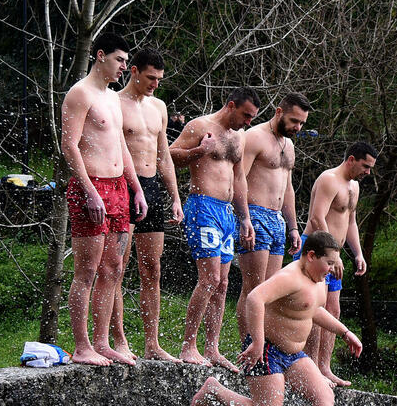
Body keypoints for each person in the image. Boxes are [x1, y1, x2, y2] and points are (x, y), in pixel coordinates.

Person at [190, 231, 363, 406]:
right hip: (267, 349)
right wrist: (258, 342)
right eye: (328, 264)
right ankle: (214, 389)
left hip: (293, 355)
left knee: (324, 395)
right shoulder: (290, 276)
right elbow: (255, 298)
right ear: (311, 256)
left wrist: (345, 332)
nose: (330, 270)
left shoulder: (316, 280)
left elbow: (313, 310)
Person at [61, 31, 147, 366]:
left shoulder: (112, 98)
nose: (125, 67)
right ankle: (82, 346)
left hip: (118, 187)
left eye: (126, 61)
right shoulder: (79, 94)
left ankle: (101, 341)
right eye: (120, 60)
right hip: (91, 186)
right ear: (100, 56)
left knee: (113, 268)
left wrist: (136, 187)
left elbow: (120, 146)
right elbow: (69, 145)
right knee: (86, 270)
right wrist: (89, 190)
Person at [169, 87, 261, 369]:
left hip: (226, 213)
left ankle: (212, 348)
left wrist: (245, 217)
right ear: (231, 105)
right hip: (202, 206)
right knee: (208, 279)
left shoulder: (239, 137)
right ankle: (188, 346)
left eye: (252, 118)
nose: (248, 122)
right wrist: (199, 151)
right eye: (246, 115)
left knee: (222, 284)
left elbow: (239, 177)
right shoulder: (200, 125)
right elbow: (170, 155)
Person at [112, 47, 184, 362]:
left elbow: (163, 154)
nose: (155, 84)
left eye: (159, 79)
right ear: (134, 72)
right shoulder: (115, 103)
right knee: (116, 266)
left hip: (152, 187)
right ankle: (119, 339)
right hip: (124, 186)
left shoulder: (158, 106)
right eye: (150, 77)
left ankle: (152, 343)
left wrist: (175, 196)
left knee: (151, 269)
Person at [297, 142, 377, 387]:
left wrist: (358, 253)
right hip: (317, 251)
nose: (368, 172)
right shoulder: (328, 179)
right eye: (365, 166)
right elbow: (316, 217)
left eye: (371, 168)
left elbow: (350, 222)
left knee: (334, 311)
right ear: (351, 159)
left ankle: (324, 367)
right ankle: (310, 365)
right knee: (315, 308)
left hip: (336, 254)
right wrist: (332, 255)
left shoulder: (353, 186)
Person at [235, 92, 311, 338]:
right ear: (279, 112)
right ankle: (248, 347)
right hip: (255, 214)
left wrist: (293, 227)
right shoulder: (254, 137)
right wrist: (244, 218)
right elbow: (239, 180)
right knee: (253, 289)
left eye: (301, 123)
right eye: (293, 121)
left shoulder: (289, 145)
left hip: (277, 219)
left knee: (272, 293)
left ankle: (263, 348)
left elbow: (287, 188)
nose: (297, 127)